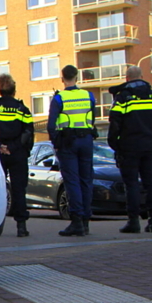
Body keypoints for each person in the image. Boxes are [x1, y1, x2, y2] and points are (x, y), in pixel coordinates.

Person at [107, 65, 152, 233]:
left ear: (127, 79)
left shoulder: (123, 98)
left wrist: (115, 145)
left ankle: (133, 221)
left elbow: (115, 124)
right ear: (142, 77)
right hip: (150, 147)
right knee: (151, 184)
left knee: (132, 185)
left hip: (129, 147)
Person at [47, 64, 97, 236]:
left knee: (72, 181)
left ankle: (76, 221)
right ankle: (86, 221)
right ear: (76, 77)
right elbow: (92, 118)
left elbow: (51, 125)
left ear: (62, 78)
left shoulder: (59, 98)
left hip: (68, 142)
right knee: (86, 180)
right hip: (86, 140)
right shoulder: (89, 96)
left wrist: (56, 143)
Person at [0, 74, 35, 237]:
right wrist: (13, 148)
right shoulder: (22, 109)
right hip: (17, 154)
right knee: (19, 189)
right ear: (14, 90)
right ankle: (21, 226)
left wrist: (0, 146)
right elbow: (28, 132)